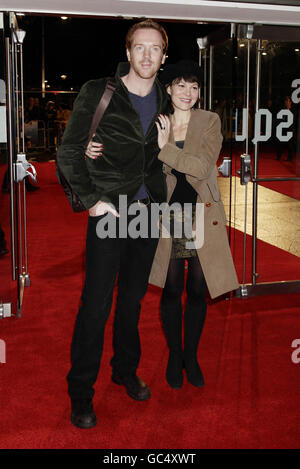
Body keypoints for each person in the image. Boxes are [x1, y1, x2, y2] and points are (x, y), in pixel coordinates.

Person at [86, 60, 240, 391]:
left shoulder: (209, 121)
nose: (188, 92)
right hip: (166, 216)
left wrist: (165, 148)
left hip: (200, 215)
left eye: (194, 86)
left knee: (197, 290)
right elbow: (128, 159)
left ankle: (191, 356)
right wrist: (91, 149)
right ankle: (174, 355)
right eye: (181, 85)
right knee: (171, 290)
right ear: (167, 88)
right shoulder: (154, 121)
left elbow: (200, 168)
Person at [56, 19, 169, 429]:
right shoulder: (99, 92)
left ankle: (124, 369)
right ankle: (81, 393)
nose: (146, 55)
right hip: (110, 214)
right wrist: (93, 201)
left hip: (146, 214)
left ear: (162, 56)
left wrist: (167, 147)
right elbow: (68, 152)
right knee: (96, 304)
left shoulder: (166, 99)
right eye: (139, 47)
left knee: (133, 300)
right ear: (127, 52)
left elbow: (166, 160)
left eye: (154, 49)